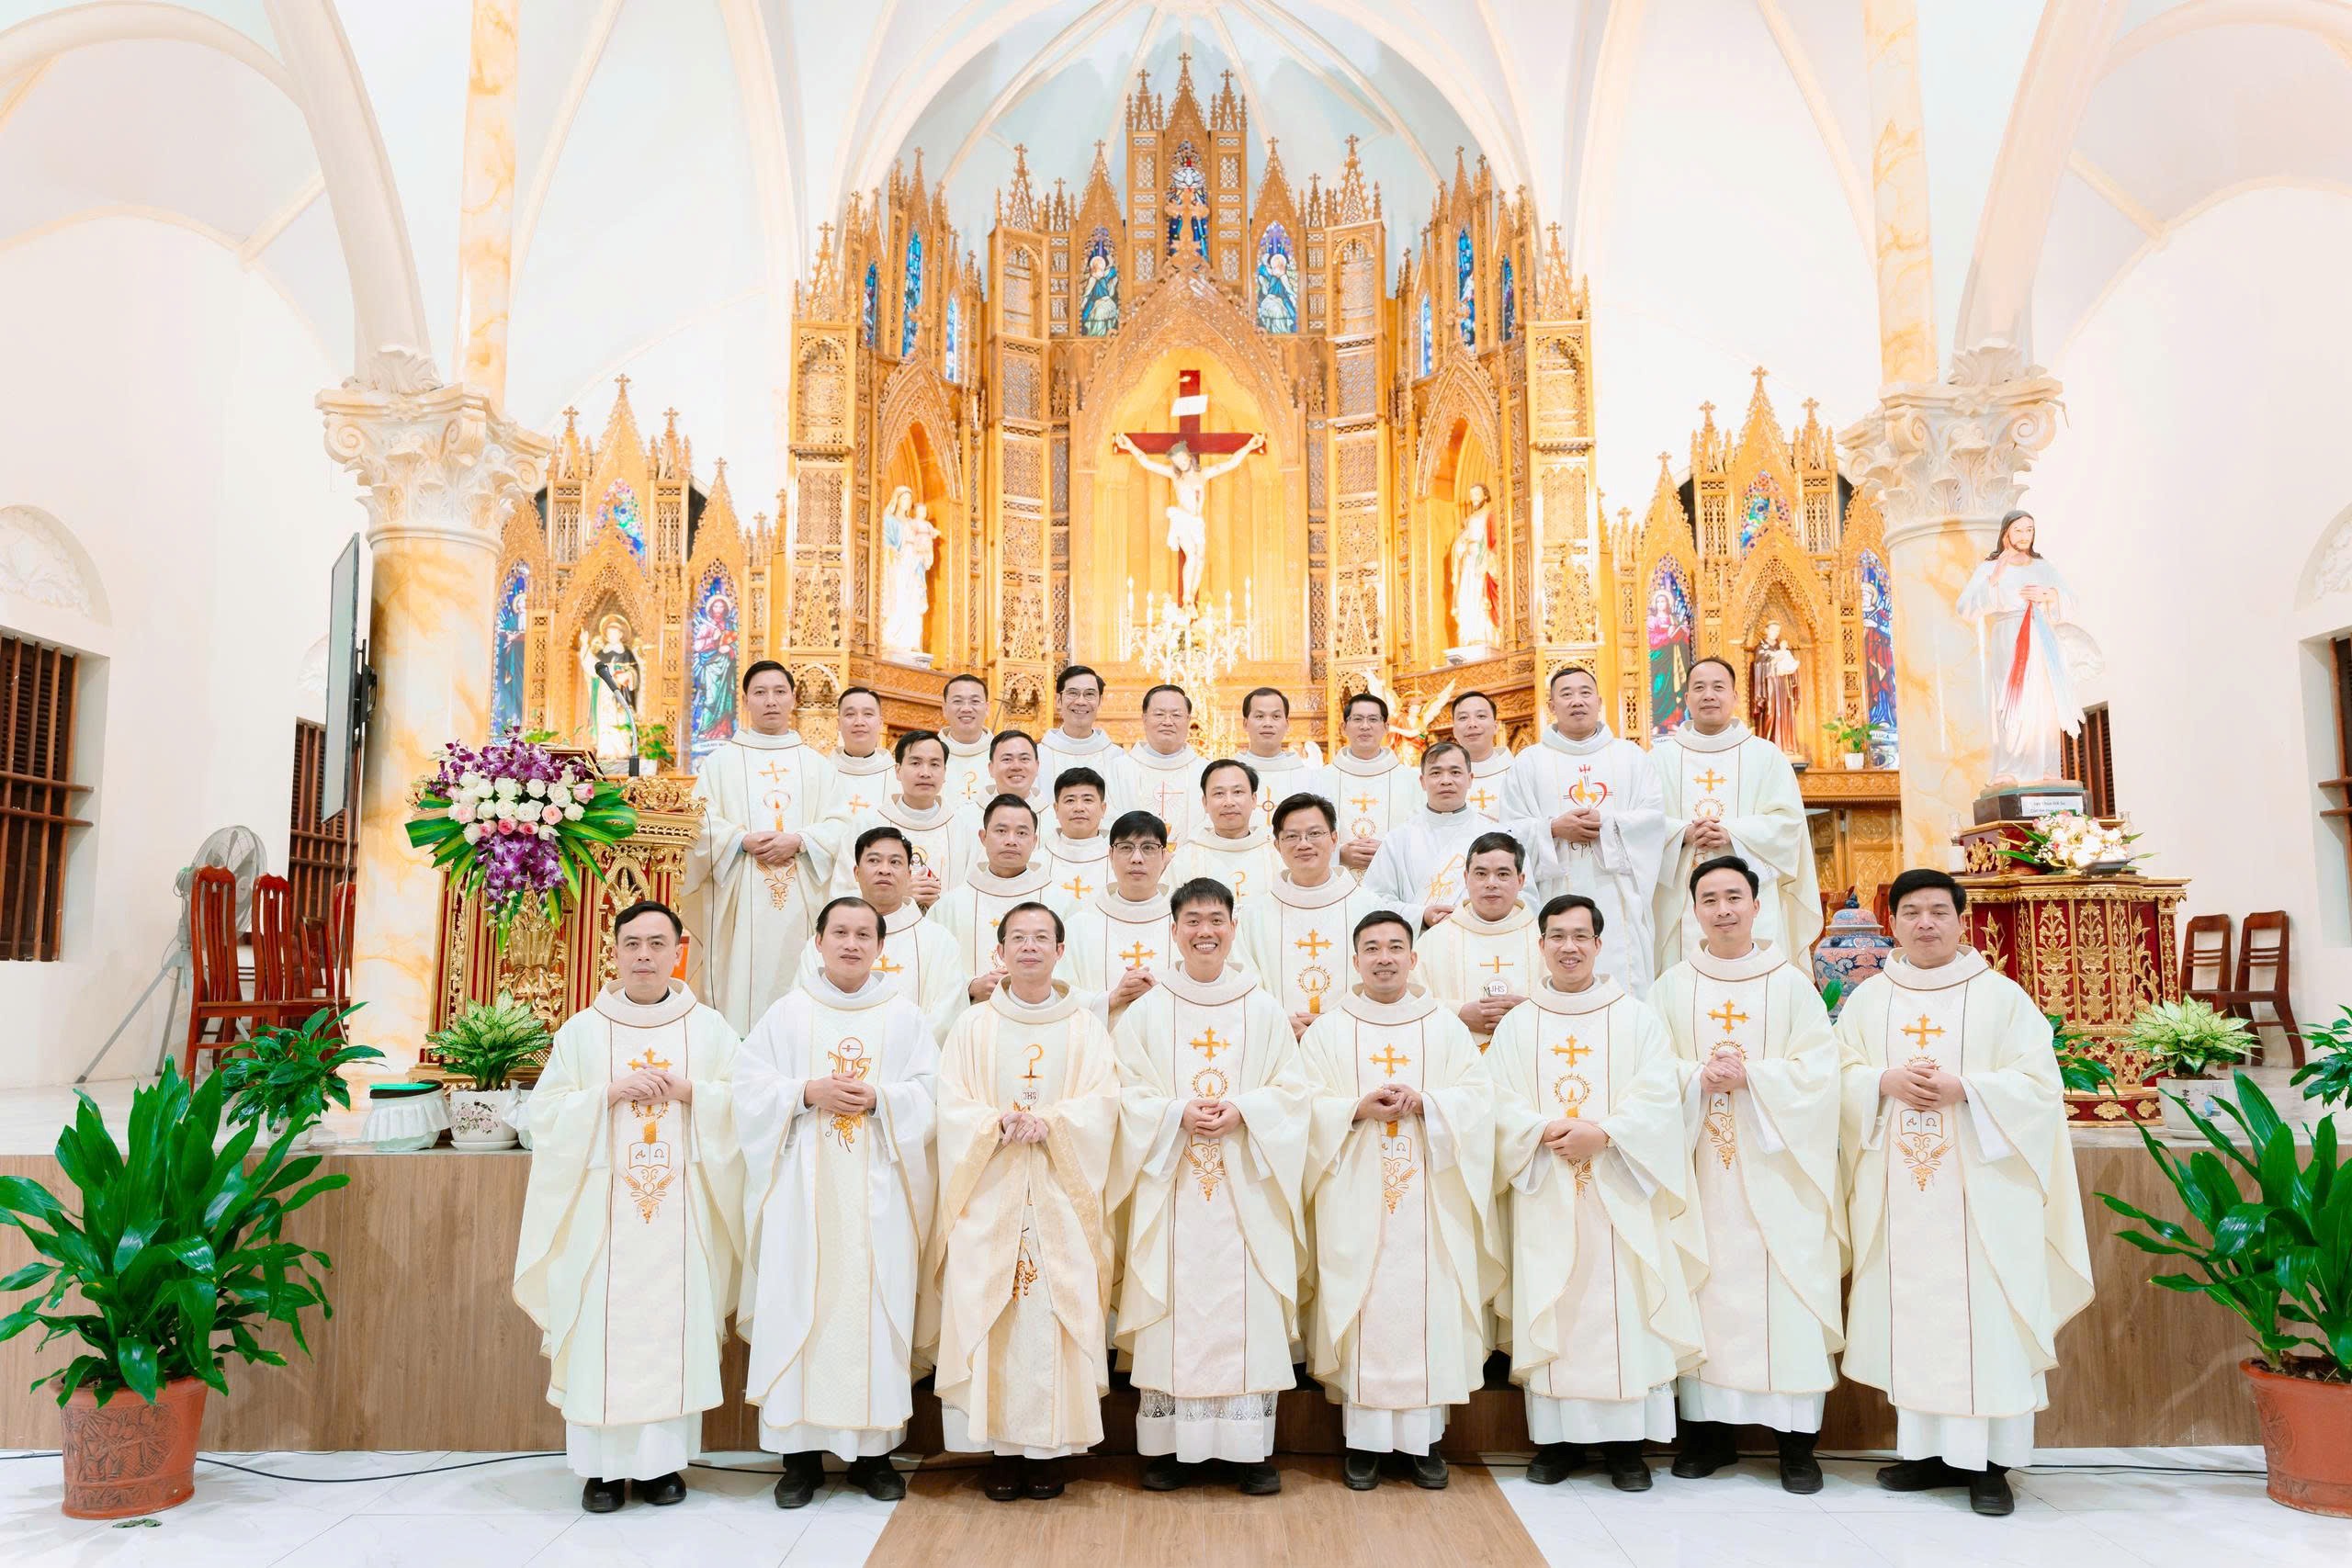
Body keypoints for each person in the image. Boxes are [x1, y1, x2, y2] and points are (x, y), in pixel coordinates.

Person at [1835, 868, 2093, 1517]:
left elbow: (2039, 1089)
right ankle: (1926, 1454)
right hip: (1902, 1195)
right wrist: (1881, 1081)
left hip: (1985, 1196)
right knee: (1917, 1320)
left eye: (1938, 912)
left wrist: (1967, 1089)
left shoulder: (2001, 998)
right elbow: (1837, 1075)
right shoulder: (1869, 1000)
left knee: (1988, 1322)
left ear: (1960, 920)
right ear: (1892, 923)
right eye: (1911, 912)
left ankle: (1991, 1466)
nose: (1925, 923)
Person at [514, 900, 741, 1514]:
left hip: (681, 1213)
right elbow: (543, 1115)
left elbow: (743, 1103)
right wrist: (607, 1094)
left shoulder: (709, 1030)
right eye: (632, 944)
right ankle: (602, 1472)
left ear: (678, 952)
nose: (644, 955)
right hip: (602, 1218)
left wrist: (691, 1091)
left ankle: (663, 1466)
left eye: (657, 944)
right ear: (614, 952)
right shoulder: (583, 1031)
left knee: (672, 1330)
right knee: (600, 1334)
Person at [1489, 894, 1702, 1493]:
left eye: (1581, 936)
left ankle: (1626, 1449)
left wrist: (1605, 1133)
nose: (1569, 947)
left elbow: (1659, 1097)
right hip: (1545, 1185)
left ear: (1599, 945)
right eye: (1557, 936)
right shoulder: (1518, 1024)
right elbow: (1494, 1101)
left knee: (1622, 1311)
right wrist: (1540, 1130)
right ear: (1541, 945)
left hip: (1619, 1188)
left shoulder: (1635, 1019)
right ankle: (1557, 1443)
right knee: (1556, 1301)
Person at [1109, 877, 1312, 1495]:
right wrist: (1176, 1112)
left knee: (1244, 1308)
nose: (1205, 930)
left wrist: (1244, 1110)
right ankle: (1174, 1448)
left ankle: (1248, 1451)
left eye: (1216, 919)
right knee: (1176, 1307)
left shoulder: (1264, 1009)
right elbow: (1123, 1093)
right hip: (1172, 1186)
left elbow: (1294, 1093)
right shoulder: (1147, 1013)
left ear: (1232, 927)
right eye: (1193, 920)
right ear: (1173, 930)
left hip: (1246, 1185)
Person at [735, 897, 939, 1507]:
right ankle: (798, 1460)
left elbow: (932, 1094)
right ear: (818, 940)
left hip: (880, 1193)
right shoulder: (788, 1014)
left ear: (880, 946)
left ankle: (874, 1457)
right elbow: (747, 1089)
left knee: (874, 1307)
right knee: (797, 1303)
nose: (851, 943)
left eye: (863, 934)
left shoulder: (905, 1018)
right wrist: (805, 1091)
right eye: (840, 932)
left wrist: (881, 1098)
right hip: (800, 1195)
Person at [1650, 856, 1843, 1494]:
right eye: (1710, 899)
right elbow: (1646, 1072)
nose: (1723, 909)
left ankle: (1797, 1446)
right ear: (1694, 911)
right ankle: (1708, 1436)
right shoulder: (1672, 988)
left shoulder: (1790, 987)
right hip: (1701, 1173)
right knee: (1705, 1291)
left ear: (1758, 906)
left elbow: (1821, 1075)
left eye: (1735, 896)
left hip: (1780, 1175)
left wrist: (1753, 1077)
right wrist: (1694, 1076)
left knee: (1788, 1294)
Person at [925, 903, 1122, 1502]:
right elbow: (950, 1104)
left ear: (1061, 951)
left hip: (1062, 1194)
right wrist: (995, 1122)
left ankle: (1050, 1453)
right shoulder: (973, 1026)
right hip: (989, 1194)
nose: (1029, 947)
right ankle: (1001, 1452)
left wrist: (1053, 1122)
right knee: (994, 1310)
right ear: (1000, 951)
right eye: (1018, 937)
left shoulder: (1085, 1027)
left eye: (1041, 938)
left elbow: (1104, 1103)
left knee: (1054, 1315)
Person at [1298, 910, 1497, 1491]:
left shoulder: (1444, 1026)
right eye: (1371, 948)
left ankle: (1423, 1444)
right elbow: (1301, 1104)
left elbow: (1479, 1098)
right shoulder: (1330, 1030)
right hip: (1354, 1194)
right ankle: (1362, 1444)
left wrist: (1429, 1102)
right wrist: (1355, 1108)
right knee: (1364, 1305)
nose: (1383, 958)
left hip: (1430, 1196)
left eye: (1394, 947)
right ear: (1355, 959)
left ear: (1413, 958)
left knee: (1425, 1306)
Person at [686, 660, 838, 1032]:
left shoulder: (817, 766)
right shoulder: (720, 764)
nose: (771, 701)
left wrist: (800, 840)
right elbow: (698, 824)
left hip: (803, 902)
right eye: (760, 692)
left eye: (779, 692)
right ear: (745, 701)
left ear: (793, 699)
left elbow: (840, 826)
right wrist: (739, 840)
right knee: (739, 993)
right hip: (739, 903)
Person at [1503, 665, 1668, 997]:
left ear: (1599, 701)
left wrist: (1605, 826)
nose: (1576, 701)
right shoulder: (1528, 762)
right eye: (1566, 694)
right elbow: (1509, 834)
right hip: (1553, 891)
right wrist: (1553, 828)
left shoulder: (1631, 757)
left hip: (1618, 895)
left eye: (1585, 693)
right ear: (1551, 705)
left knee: (1624, 986)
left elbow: (1653, 821)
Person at [1651, 658, 1821, 973]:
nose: (1709, 695)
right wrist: (1683, 833)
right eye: (1699, 688)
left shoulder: (1766, 756)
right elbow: (1641, 825)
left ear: (1735, 696)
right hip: (1681, 900)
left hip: (1755, 895)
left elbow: (1789, 824)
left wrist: (1732, 832)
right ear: (1686, 698)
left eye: (1718, 687)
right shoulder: (1659, 759)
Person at [794, 825, 966, 1043]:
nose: (884, 870)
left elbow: (947, 1017)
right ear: (856, 873)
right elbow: (801, 1009)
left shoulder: (940, 942)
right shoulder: (824, 942)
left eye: (895, 862)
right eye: (874, 860)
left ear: (909, 875)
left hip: (910, 1060)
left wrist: (895, 1054)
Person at [1955, 511, 2083, 786]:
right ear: (2006, 534)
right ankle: (2011, 766)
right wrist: (1994, 579)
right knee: (2013, 699)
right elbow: (1965, 607)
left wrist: (2049, 595)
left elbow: (2071, 600)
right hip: (2010, 638)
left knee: (2044, 702)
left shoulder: (2043, 567)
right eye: (2019, 530)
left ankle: (2046, 766)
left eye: (2029, 530)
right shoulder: (1990, 567)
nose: (2025, 536)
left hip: (2042, 637)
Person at [1238, 793, 1377, 1037]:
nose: (1303, 844)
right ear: (1277, 845)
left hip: (1351, 1038)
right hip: (1277, 1039)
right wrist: (1280, 1024)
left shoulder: (1370, 908)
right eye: (1291, 836)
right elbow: (1245, 985)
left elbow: (1384, 981)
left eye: (1314, 834)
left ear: (1334, 839)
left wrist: (1337, 1024)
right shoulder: (1253, 916)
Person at [1364, 741, 1540, 932]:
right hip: (1421, 943)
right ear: (1422, 781)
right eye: (1436, 773)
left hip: (1485, 941)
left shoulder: (1500, 836)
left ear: (1470, 779)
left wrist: (1475, 917)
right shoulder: (1397, 840)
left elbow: (1526, 900)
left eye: (1455, 772)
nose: (1446, 780)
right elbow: (1374, 900)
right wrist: (1422, 915)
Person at [932, 795, 1075, 1000]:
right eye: (1001, 831)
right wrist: (970, 987)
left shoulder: (1064, 904)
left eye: (1022, 833)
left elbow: (1076, 973)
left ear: (1034, 841)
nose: (1011, 840)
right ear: (983, 837)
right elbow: (933, 972)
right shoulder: (949, 906)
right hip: (974, 1013)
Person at [808, 730, 974, 902]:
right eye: (915, 763)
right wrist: (897, 898)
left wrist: (940, 904)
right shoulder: (867, 824)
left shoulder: (962, 829)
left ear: (945, 772)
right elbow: (843, 894)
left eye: (934, 764)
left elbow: (971, 899)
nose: (925, 773)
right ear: (898, 771)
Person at [1413, 831, 1541, 1052]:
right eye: (1481, 874)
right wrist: (1458, 1014)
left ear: (1521, 880)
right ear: (1466, 878)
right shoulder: (1434, 940)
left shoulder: (1546, 939)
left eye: (1503, 874)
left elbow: (1568, 1001)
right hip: (1454, 1061)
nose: (1491, 883)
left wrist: (1530, 1011)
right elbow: (1409, 1000)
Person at [1064, 809, 1174, 1031]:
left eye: (1148, 848)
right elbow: (1059, 993)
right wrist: (1111, 999)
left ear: (1164, 856)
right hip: (1096, 1046)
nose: (1137, 858)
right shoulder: (1079, 926)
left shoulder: (1187, 924)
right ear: (1110, 855)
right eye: (1125, 848)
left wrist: (1158, 997)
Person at [1316, 692, 1416, 874]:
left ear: (1386, 727)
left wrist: (1388, 852)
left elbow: (1422, 834)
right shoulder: (1321, 779)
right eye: (1357, 719)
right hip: (1337, 882)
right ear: (1343, 727)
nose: (1365, 726)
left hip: (1393, 879)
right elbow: (1308, 833)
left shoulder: (1410, 780)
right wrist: (1338, 854)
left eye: (1373, 719)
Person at [1167, 758, 1282, 901]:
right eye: (1219, 793)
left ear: (1253, 799)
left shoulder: (1278, 855)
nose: (1229, 802)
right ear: (1205, 803)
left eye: (1237, 792)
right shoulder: (1185, 859)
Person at [1037, 665, 1131, 809]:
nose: (1081, 701)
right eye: (1073, 693)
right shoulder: (1038, 757)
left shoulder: (1117, 758)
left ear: (1100, 701)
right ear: (1058, 700)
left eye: (1089, 694)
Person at [1232, 686, 1326, 829]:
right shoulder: (1227, 776)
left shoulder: (1309, 778)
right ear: (1245, 724)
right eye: (1259, 716)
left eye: (1276, 716)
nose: (1267, 723)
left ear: (1286, 724)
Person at [1125, 683, 1206, 846]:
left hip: (1193, 860)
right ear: (1144, 718)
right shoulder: (1119, 769)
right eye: (1159, 714)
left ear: (1188, 720)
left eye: (1176, 715)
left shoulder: (1205, 771)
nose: (1167, 722)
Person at [1039, 766, 1112, 907]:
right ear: (1056, 809)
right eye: (1070, 800)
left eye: (1087, 800)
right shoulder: (1038, 862)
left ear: (1103, 809)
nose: (1079, 808)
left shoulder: (1119, 862)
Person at [1447, 690, 1514, 820]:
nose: (1472, 724)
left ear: (1495, 727)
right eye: (1463, 718)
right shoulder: (1441, 779)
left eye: (1481, 716)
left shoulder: (1518, 771)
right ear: (1454, 731)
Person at [830, 686, 894, 812]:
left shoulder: (898, 778)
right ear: (838, 723)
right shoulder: (823, 772)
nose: (859, 722)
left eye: (868, 714)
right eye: (850, 714)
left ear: (880, 723)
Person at [940, 672, 996, 807]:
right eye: (957, 701)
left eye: (975, 701)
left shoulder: (1003, 755)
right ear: (945, 709)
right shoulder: (928, 753)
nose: (966, 709)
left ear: (987, 708)